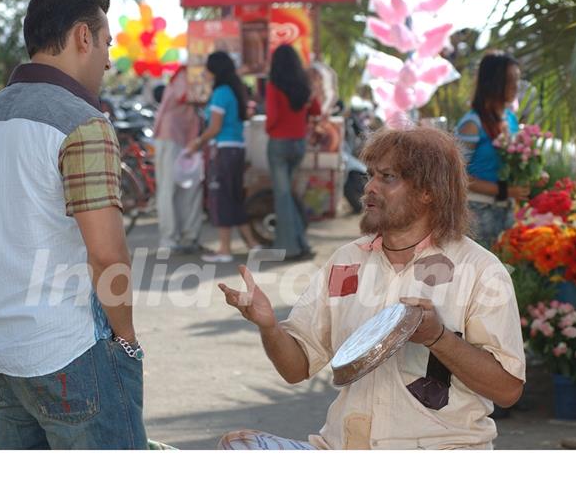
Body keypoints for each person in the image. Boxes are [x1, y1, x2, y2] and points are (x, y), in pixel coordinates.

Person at [218, 127, 526, 450]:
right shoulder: (346, 262)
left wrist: (438, 338)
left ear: (428, 192)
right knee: (239, 449)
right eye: (370, 175)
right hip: (342, 449)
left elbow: (507, 390)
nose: (370, 188)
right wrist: (269, 328)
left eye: (387, 177)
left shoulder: (480, 270)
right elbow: (296, 368)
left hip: (439, 451)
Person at [0, 0, 147, 449]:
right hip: (74, 351)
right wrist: (128, 342)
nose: (108, 59)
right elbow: (107, 253)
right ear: (82, 37)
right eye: (106, 43)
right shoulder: (83, 123)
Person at [186, 51, 260, 263]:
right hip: (236, 148)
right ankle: (252, 244)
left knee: (222, 197)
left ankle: (225, 249)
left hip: (224, 150)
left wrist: (197, 142)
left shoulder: (220, 93)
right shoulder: (233, 90)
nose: (206, 73)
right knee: (234, 196)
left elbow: (215, 127)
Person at [454, 51, 529, 249]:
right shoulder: (471, 124)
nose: (516, 86)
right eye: (510, 80)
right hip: (477, 214)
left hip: (506, 212)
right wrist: (506, 190)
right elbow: (458, 176)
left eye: (517, 80)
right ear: (494, 82)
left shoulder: (510, 118)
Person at [265, 44, 321, 260]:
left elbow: (272, 117)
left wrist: (270, 130)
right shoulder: (303, 85)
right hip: (299, 144)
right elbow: (315, 110)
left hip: (278, 143)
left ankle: (290, 247)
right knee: (287, 194)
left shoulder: (273, 86)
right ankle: (301, 244)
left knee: (283, 196)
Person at [154, 66, 203, 253]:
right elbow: (186, 96)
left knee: (190, 188)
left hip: (188, 137)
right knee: (169, 189)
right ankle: (169, 238)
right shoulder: (185, 74)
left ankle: (188, 236)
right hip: (171, 135)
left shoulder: (193, 74)